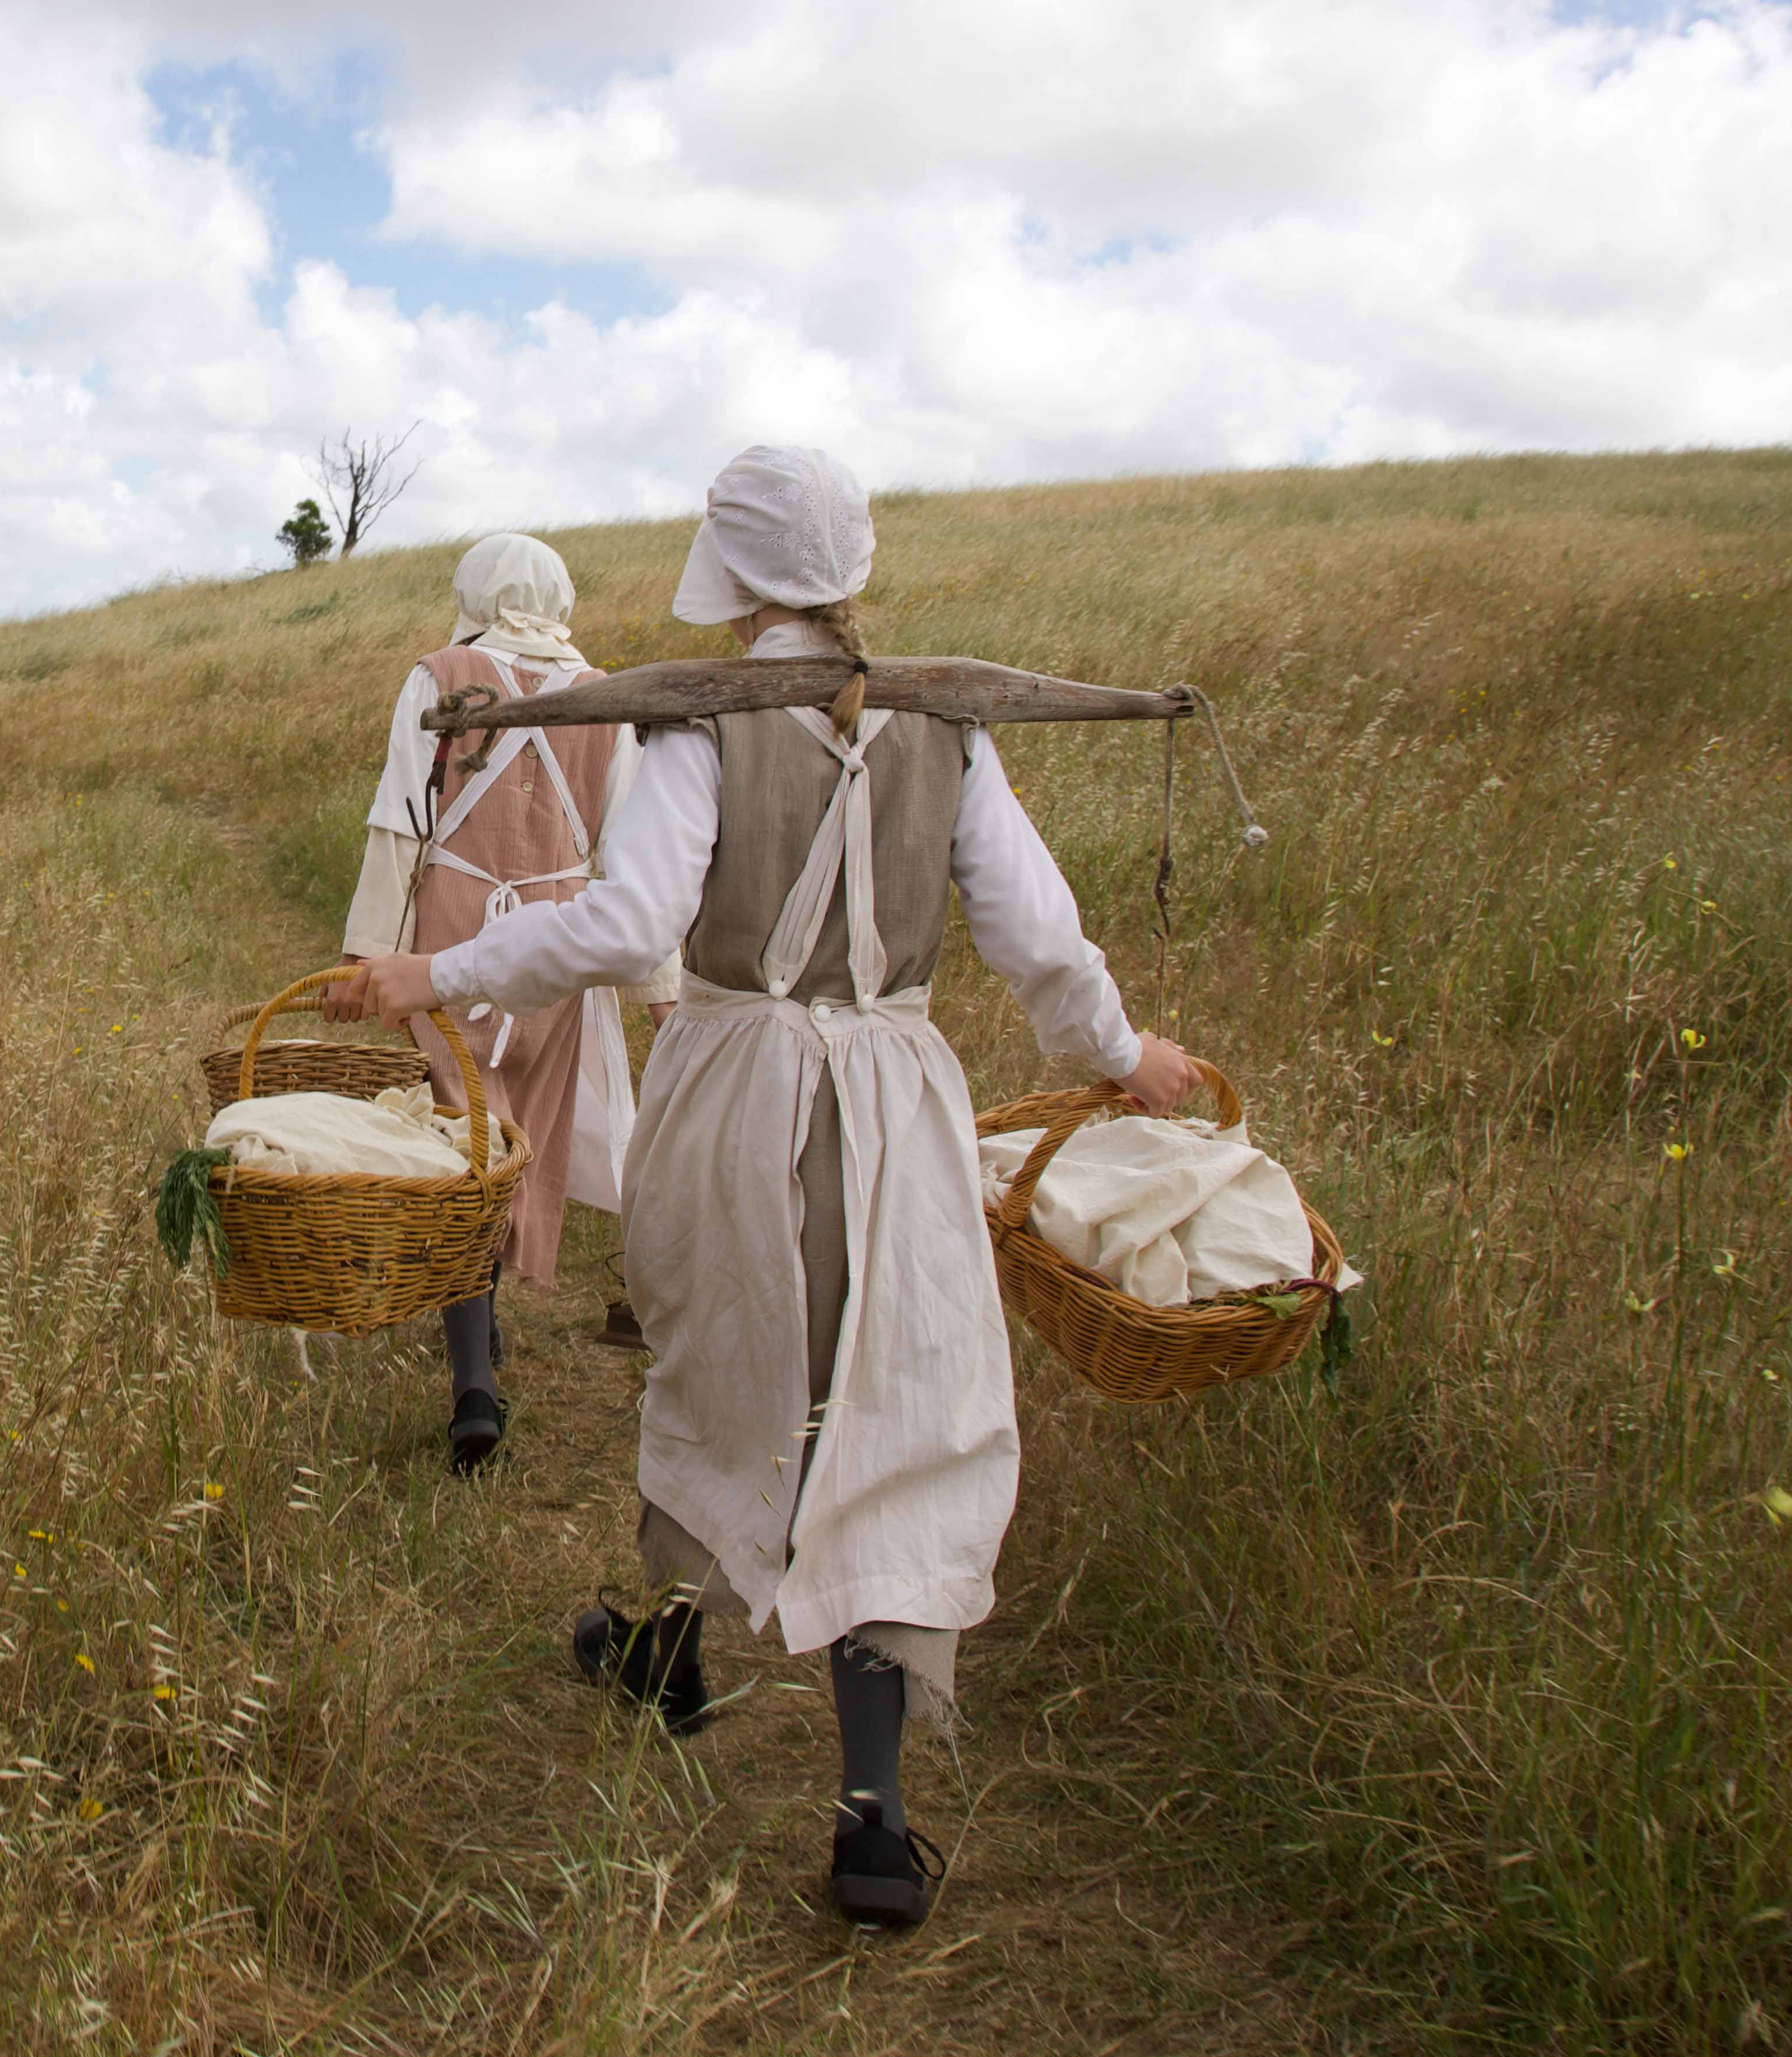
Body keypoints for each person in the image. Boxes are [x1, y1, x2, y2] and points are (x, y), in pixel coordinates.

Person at [326, 447, 1204, 1933]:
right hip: (898, 1097)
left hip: (737, 1087)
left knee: (719, 1364)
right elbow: (1041, 938)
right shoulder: (950, 726)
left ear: (728, 579)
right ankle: (871, 1812)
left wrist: (433, 969)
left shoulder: (703, 728)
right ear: (850, 568)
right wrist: (1127, 1053)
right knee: (896, 1402)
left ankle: (674, 1649)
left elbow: (624, 928)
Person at [340, 533, 678, 1474]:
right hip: (561, 946)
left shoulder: (438, 673)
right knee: (515, 1134)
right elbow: (635, 857)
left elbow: (399, 819)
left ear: (476, 592)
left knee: (462, 1140)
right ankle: (478, 1345)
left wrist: (368, 958)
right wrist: (661, 991)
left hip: (450, 929)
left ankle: (473, 1383)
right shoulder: (606, 697)